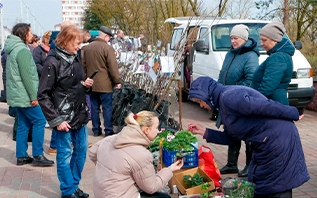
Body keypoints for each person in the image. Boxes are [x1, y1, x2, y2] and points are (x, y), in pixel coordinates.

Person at [187, 76, 309, 197]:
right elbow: (231, 138)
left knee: (276, 185)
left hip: (277, 140)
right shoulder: (224, 102)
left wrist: (293, 113)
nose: (201, 105)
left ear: (208, 95)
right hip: (267, 140)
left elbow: (265, 106)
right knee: (263, 182)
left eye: (200, 101)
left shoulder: (229, 97)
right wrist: (204, 131)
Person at [38, 25, 93, 198]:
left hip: (79, 113)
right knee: (65, 154)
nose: (79, 46)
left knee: (81, 151)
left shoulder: (75, 58)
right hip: (63, 117)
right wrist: (56, 120)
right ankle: (67, 190)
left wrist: (85, 85)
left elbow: (77, 83)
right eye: (77, 43)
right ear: (66, 41)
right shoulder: (52, 61)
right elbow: (43, 95)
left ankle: (74, 185)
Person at [89, 111, 184, 198]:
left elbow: (92, 152)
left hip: (101, 193)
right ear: (146, 130)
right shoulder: (141, 154)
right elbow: (151, 187)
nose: (158, 131)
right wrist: (170, 169)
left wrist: (107, 170)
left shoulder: (110, 139)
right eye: (156, 127)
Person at [4, 23, 54, 167]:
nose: (32, 35)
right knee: (39, 121)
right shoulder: (22, 51)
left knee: (23, 124)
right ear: (24, 34)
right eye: (30, 32)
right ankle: (38, 155)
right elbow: (28, 76)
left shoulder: (13, 49)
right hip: (26, 96)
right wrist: (34, 97)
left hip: (18, 95)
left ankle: (21, 155)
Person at [217, 24, 259, 177]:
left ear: (244, 39)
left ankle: (249, 165)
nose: (233, 41)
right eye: (231, 38)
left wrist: (233, 90)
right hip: (227, 98)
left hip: (241, 99)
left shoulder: (250, 55)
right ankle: (231, 164)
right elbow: (223, 73)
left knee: (246, 133)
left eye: (236, 38)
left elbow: (251, 80)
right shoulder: (231, 53)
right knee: (231, 130)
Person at [82, 26, 121, 137]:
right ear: (105, 36)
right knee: (107, 108)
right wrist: (117, 81)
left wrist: (86, 80)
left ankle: (96, 130)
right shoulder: (107, 48)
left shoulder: (87, 48)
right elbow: (112, 67)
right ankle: (108, 130)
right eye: (109, 37)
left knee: (94, 108)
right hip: (105, 84)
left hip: (91, 84)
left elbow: (83, 66)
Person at [251, 21, 294, 106]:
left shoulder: (278, 58)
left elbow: (268, 86)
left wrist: (254, 102)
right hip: (274, 103)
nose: (261, 44)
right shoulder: (279, 55)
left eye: (264, 40)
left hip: (273, 105)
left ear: (275, 40)